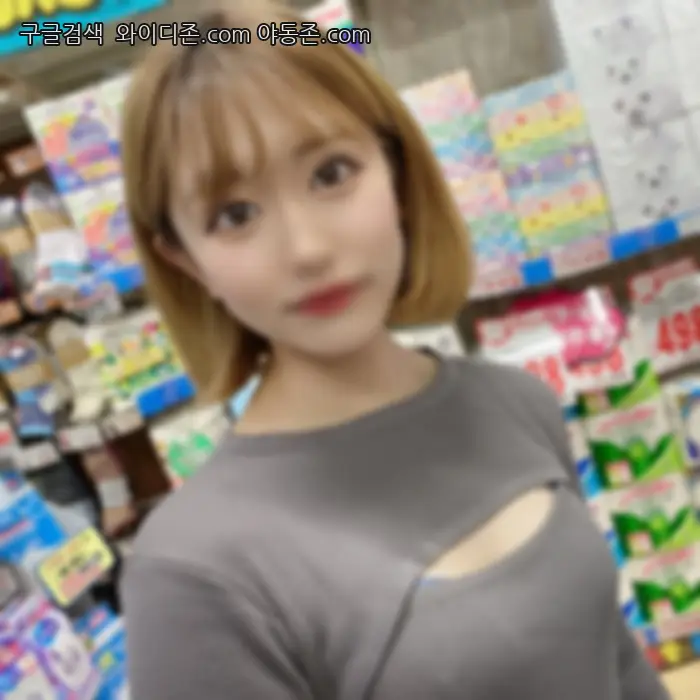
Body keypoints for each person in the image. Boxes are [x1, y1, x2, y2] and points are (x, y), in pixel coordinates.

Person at [119, 2, 670, 699]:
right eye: (235, 215)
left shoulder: (516, 404)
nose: (307, 249)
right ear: (186, 261)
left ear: (398, 173)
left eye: (331, 174)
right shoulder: (193, 572)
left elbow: (611, 658)